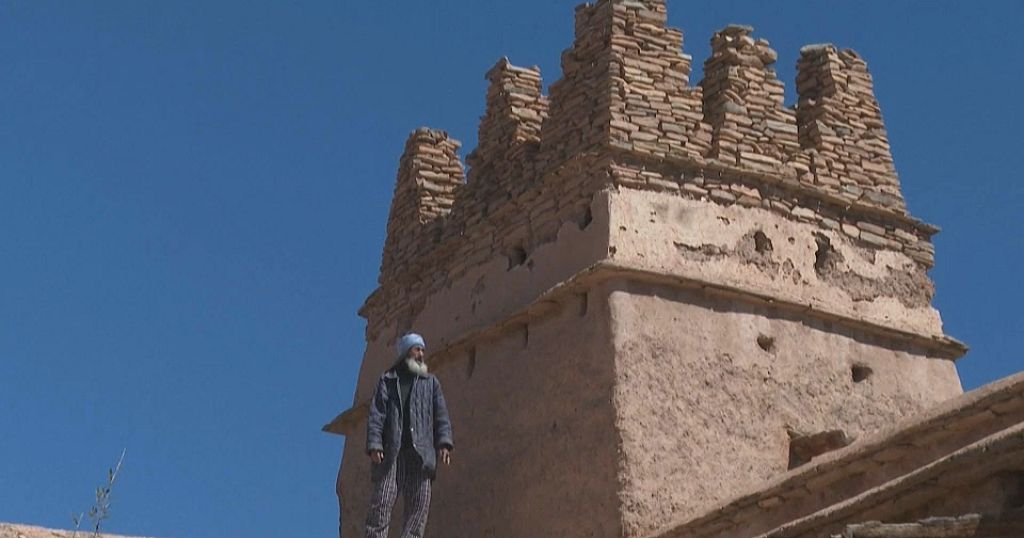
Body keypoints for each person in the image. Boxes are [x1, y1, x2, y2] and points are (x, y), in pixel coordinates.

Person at [364, 332, 453, 538]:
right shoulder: (387, 381)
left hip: (420, 456)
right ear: (405, 353)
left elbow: (441, 416)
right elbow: (377, 415)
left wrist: (444, 444)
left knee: (418, 508)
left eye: (422, 349)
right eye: (417, 349)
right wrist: (375, 444)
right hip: (392, 455)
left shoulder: (431, 383)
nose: (421, 354)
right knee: (382, 504)